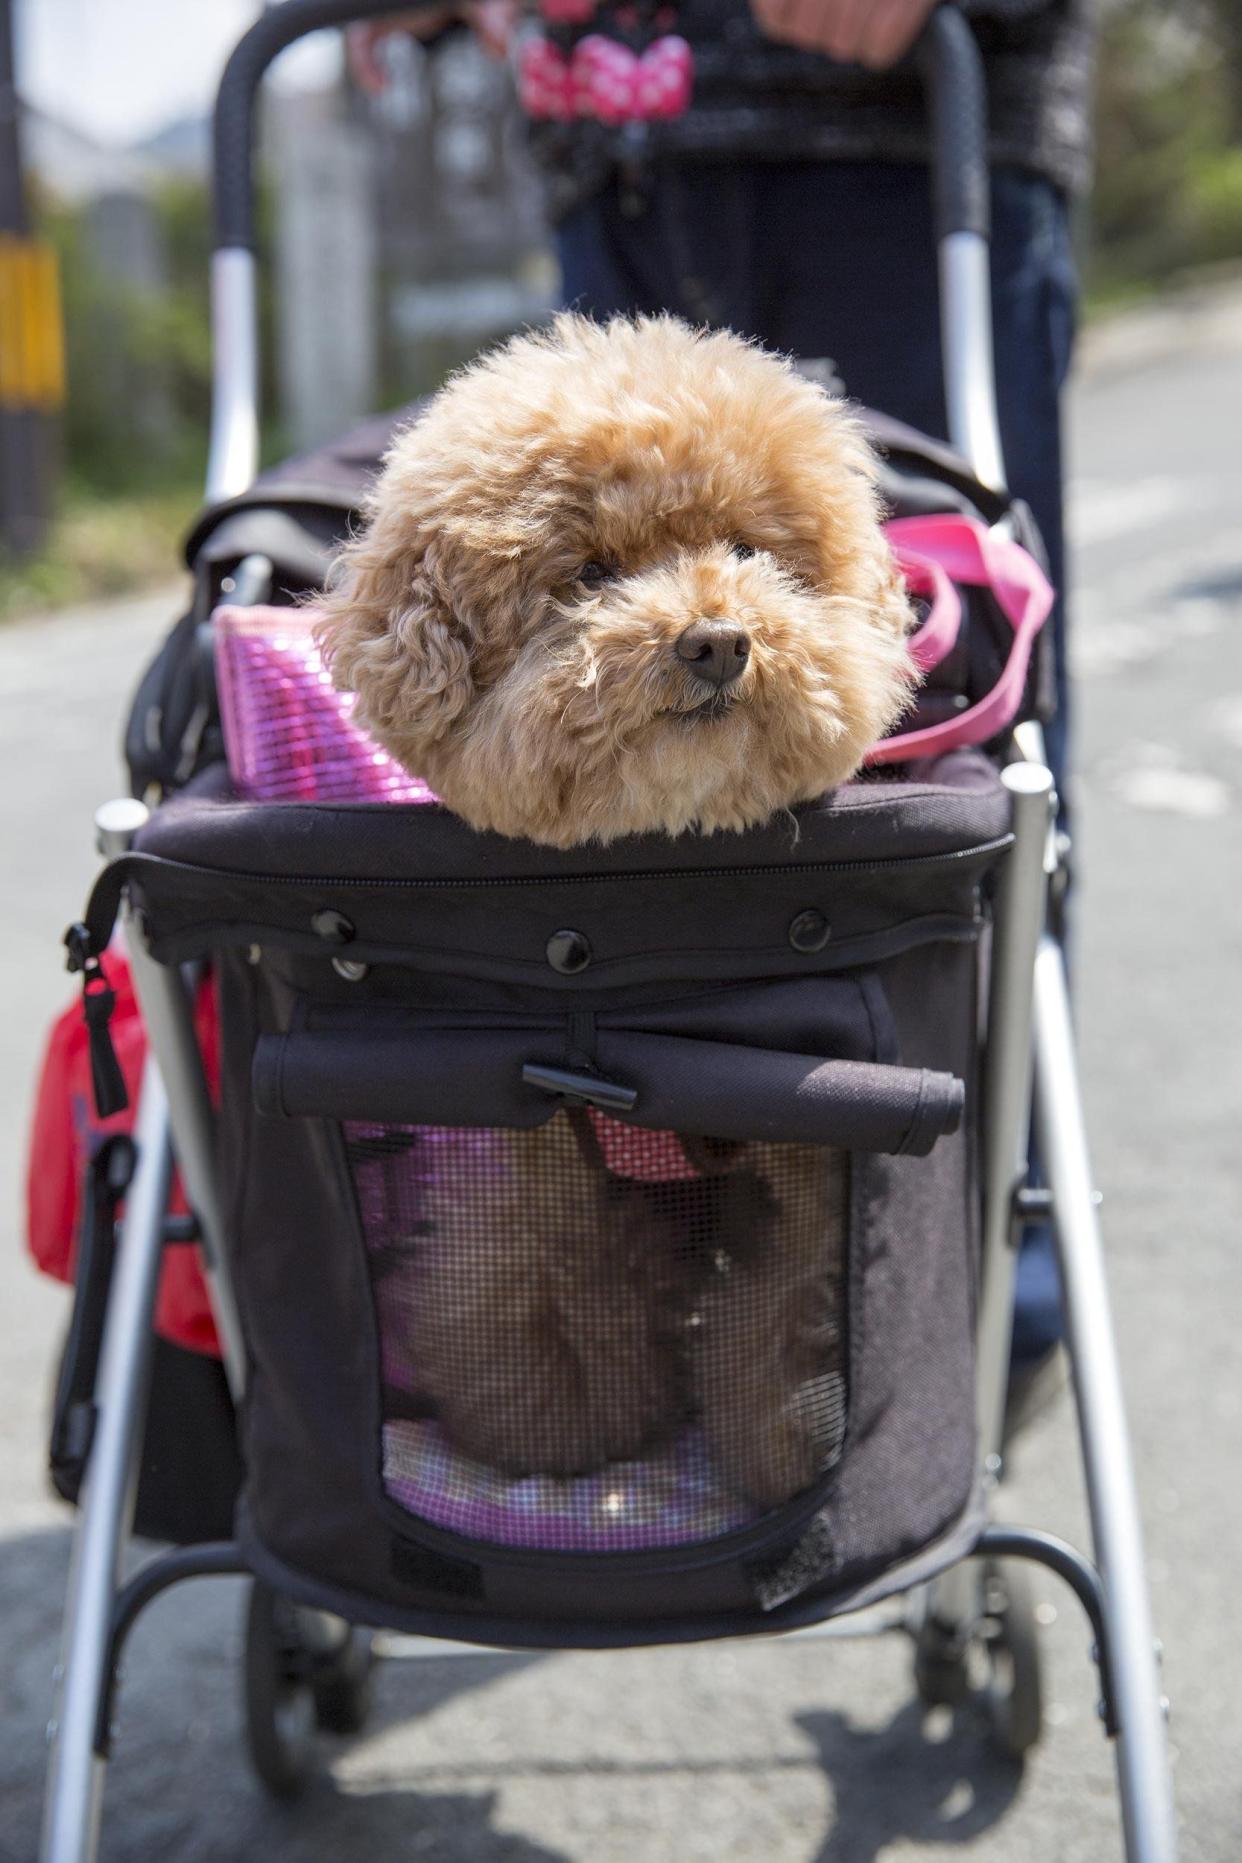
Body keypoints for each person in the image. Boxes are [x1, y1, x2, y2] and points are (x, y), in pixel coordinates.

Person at [350, 0, 1091, 1393]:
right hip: (613, 133)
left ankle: (961, 1321)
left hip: (893, 129)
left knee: (963, 790)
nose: (700, 619)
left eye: (746, 561)